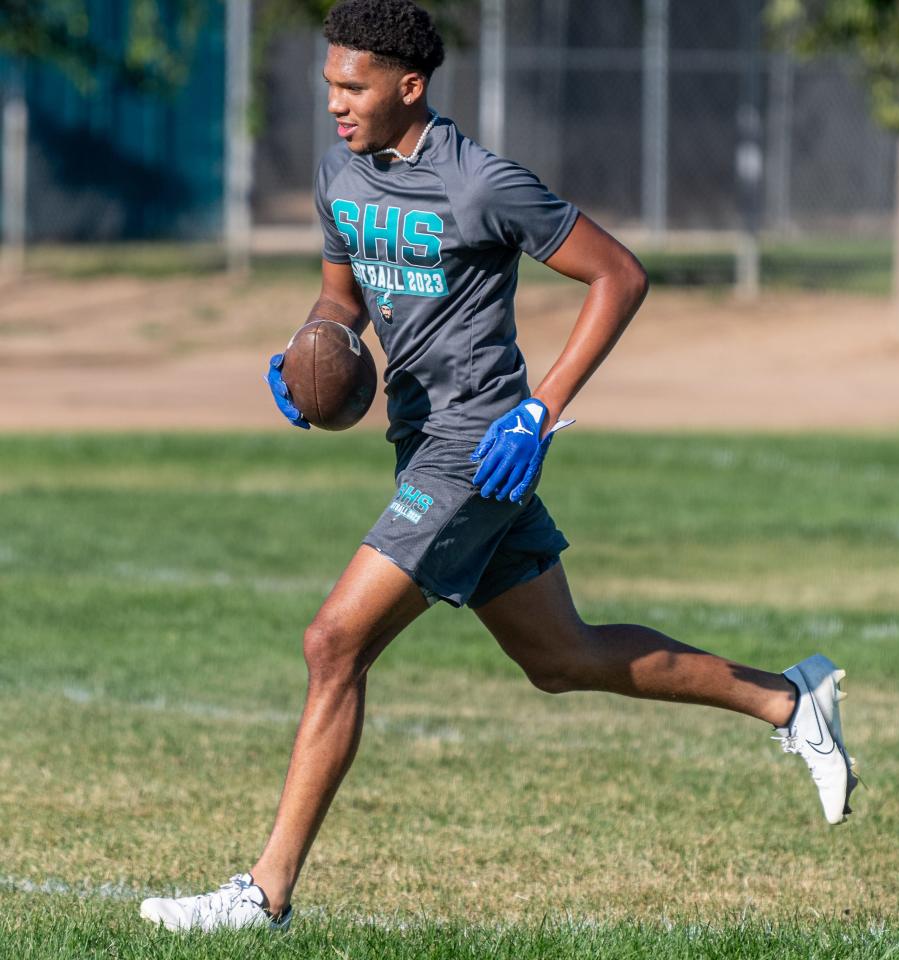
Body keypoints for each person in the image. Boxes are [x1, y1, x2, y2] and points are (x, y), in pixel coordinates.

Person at [139, 0, 858, 933]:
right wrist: (315, 347)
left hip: (478, 448)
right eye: (328, 87)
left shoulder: (483, 184)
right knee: (561, 658)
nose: (336, 106)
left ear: (411, 85)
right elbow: (338, 290)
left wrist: (541, 406)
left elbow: (620, 276)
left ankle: (263, 894)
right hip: (420, 441)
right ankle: (789, 699)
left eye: (352, 88)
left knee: (332, 644)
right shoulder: (338, 174)